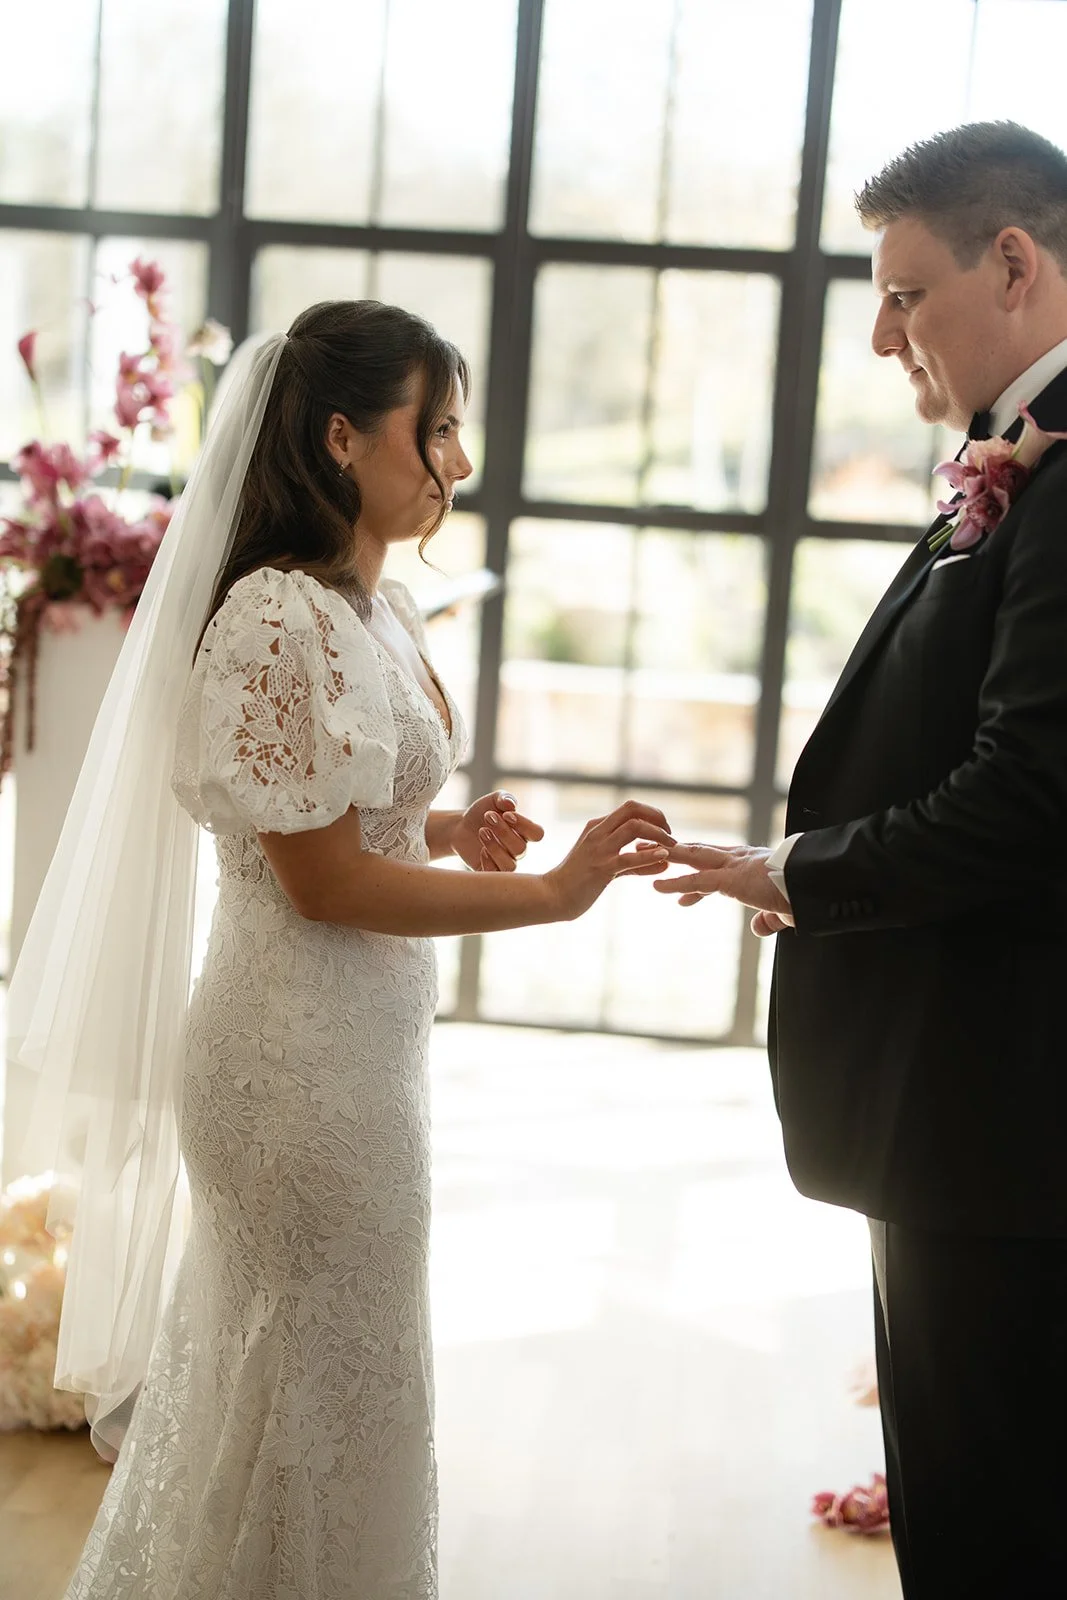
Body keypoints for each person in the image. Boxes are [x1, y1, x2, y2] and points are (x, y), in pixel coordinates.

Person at [8, 300, 673, 1600]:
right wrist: (549, 893)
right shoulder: (272, 617)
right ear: (337, 438)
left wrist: (439, 824)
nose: (456, 462)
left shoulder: (375, 610)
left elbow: (333, 807)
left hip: (363, 1059)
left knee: (331, 1383)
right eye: (435, 430)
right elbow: (317, 883)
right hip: (289, 1073)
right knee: (306, 1380)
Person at [653, 122, 1067, 1598]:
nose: (882, 331)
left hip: (1006, 1113)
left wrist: (801, 873)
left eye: (903, 291)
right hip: (977, 1104)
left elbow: (1028, 798)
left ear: (1011, 262)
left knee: (992, 1518)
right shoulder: (1018, 454)